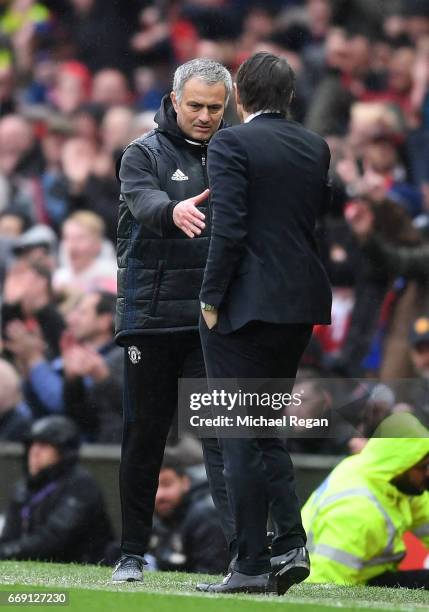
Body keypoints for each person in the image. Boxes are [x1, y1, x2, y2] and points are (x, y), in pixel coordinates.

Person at [198, 52, 332, 595]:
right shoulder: (315, 145)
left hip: (246, 303)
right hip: (299, 301)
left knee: (236, 433)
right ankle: (289, 544)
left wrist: (210, 295)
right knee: (264, 424)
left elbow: (228, 228)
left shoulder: (231, 142)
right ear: (291, 96)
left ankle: (250, 563)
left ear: (237, 92)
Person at [112, 58, 233, 582]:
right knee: (145, 436)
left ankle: (243, 557)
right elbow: (142, 201)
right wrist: (173, 210)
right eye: (197, 106)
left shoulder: (234, 154)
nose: (205, 116)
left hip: (212, 320)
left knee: (223, 438)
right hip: (152, 318)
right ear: (175, 100)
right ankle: (132, 554)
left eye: (216, 107)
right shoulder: (142, 153)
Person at [302, 413, 429, 589]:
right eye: (424, 467)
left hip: (367, 574)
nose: (428, 473)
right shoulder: (358, 510)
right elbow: (324, 588)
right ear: (401, 465)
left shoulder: (395, 482)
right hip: (328, 580)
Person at [0, 415, 113, 563]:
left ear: (63, 451)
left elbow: (54, 538)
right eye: (32, 445)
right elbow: (9, 535)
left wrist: (8, 551)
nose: (34, 452)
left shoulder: (81, 485)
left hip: (83, 564)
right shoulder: (24, 487)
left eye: (44, 445)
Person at [148, 459, 228, 574]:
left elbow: (212, 572)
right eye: (153, 487)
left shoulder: (205, 516)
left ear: (185, 482)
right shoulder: (161, 517)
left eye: (166, 484)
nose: (160, 495)